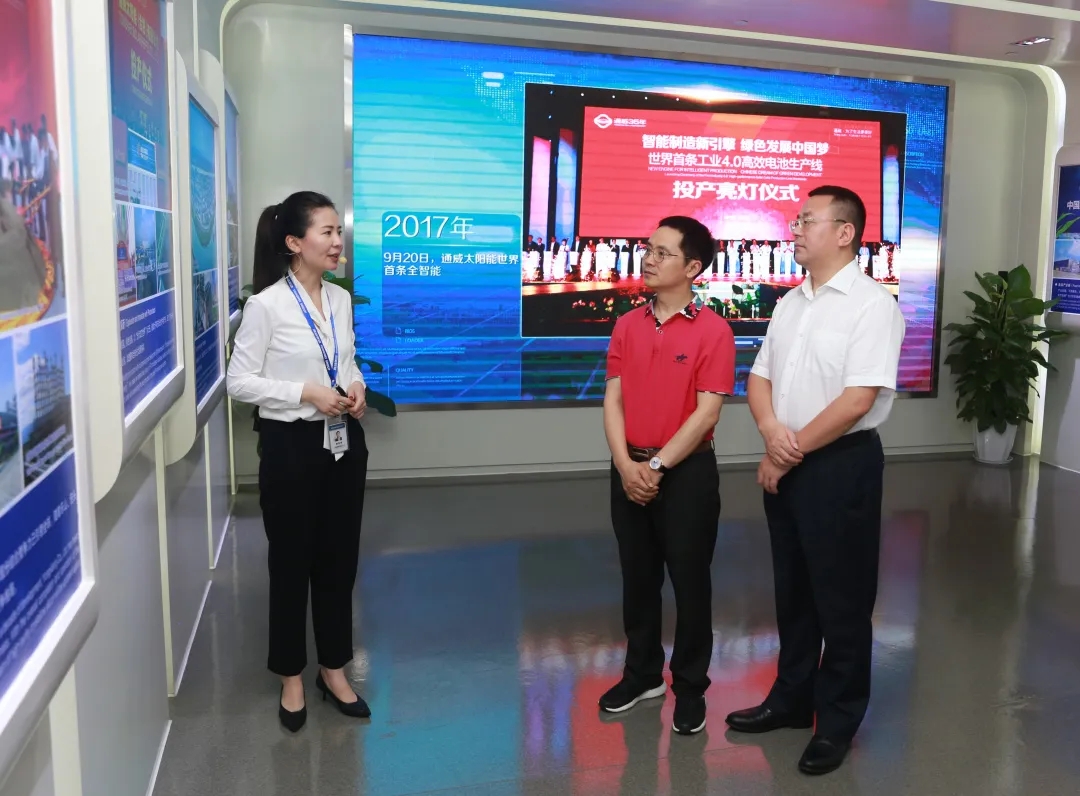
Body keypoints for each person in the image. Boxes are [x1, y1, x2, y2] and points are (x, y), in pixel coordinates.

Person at [724, 186, 905, 775]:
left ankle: (837, 721)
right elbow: (760, 378)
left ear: (845, 233)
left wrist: (786, 453)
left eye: (807, 220)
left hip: (840, 465)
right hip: (789, 454)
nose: (795, 229)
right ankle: (791, 700)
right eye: (796, 220)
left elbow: (857, 401)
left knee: (842, 599)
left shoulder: (872, 306)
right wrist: (772, 432)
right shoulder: (790, 302)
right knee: (794, 590)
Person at [227, 190, 371, 733]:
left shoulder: (338, 299)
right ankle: (291, 676)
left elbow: (347, 361)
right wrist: (305, 392)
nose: (337, 242)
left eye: (338, 232)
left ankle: (333, 669)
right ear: (294, 242)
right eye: (326, 232)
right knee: (291, 565)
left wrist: (355, 387)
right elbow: (238, 381)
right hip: (290, 448)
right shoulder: (265, 306)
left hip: (342, 444)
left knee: (339, 562)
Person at [599, 215, 736, 735]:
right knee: (638, 579)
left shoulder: (714, 330)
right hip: (629, 468)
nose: (648, 259)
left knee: (689, 581)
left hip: (686, 474)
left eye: (662, 253)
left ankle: (691, 687)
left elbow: (707, 412)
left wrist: (655, 467)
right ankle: (642, 675)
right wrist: (625, 464)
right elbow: (613, 399)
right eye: (648, 249)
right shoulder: (627, 324)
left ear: (693, 267)